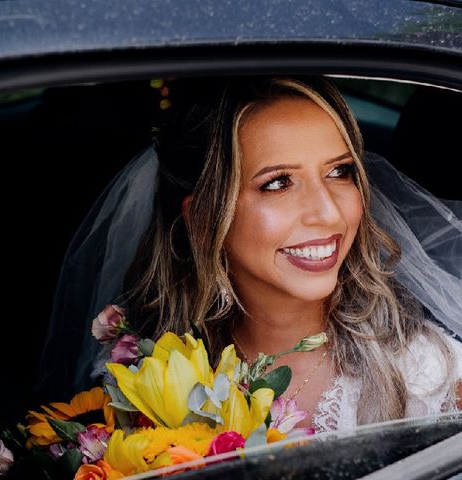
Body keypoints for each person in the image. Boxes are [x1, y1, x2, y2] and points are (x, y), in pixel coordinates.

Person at [38, 76, 462, 432]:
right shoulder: (137, 373)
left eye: (340, 172)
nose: (328, 213)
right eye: (278, 183)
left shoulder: (427, 374)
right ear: (203, 217)